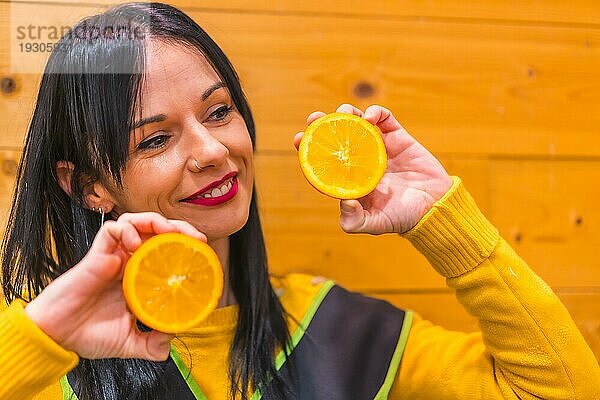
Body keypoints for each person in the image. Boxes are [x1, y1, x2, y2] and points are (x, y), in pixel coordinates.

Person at [0, 2, 598, 400]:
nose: (213, 148)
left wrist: (444, 220)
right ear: (87, 186)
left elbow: (561, 389)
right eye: (155, 138)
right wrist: (48, 333)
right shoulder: (36, 341)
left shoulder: (334, 329)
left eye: (219, 111)